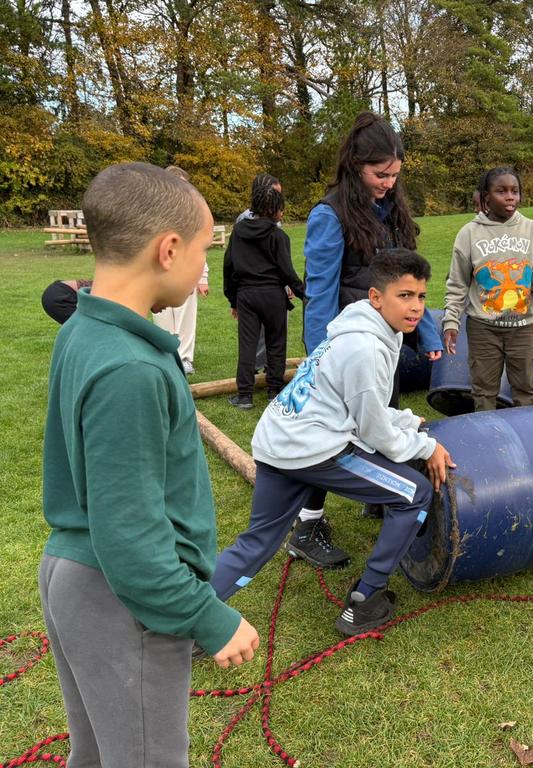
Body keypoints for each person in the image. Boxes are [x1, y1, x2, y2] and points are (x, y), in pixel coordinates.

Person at [40, 163, 260, 767]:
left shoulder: (85, 329)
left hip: (75, 574)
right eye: (202, 252)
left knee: (100, 753)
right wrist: (204, 616)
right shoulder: (130, 371)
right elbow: (131, 538)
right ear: (168, 250)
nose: (201, 270)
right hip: (120, 600)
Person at [212, 249, 455, 635]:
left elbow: (357, 405)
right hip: (314, 447)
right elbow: (374, 433)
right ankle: (365, 600)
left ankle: (189, 616)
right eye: (404, 296)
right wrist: (426, 446)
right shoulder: (366, 348)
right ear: (376, 297)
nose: (415, 307)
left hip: (280, 439)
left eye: (422, 297)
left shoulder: (364, 330)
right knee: (414, 495)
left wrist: (406, 419)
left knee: (257, 541)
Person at [294, 111, 442, 563]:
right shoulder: (329, 214)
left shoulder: (394, 210)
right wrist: (321, 354)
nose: (389, 183)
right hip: (348, 346)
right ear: (355, 166)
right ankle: (306, 527)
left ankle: (383, 497)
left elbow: (410, 276)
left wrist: (427, 329)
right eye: (381, 175)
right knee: (332, 436)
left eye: (396, 175)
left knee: (386, 415)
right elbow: (319, 291)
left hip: (388, 344)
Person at [443, 167, 533, 410]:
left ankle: (525, 440)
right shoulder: (469, 234)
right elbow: (457, 284)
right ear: (486, 196)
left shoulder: (532, 230)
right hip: (483, 328)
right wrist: (451, 321)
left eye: (515, 191)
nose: (510, 197)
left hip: (524, 327)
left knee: (525, 390)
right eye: (502, 191)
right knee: (484, 391)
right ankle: (488, 441)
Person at [470, 187, 533, 397]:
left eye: (482, 206)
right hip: (492, 317)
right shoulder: (473, 233)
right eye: (476, 207)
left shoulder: (524, 230)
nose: (479, 211)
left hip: (523, 310)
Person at [223, 180, 305, 409]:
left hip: (246, 296)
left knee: (247, 346)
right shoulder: (279, 237)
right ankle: (274, 391)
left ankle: (245, 396)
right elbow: (287, 272)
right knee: (276, 344)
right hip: (272, 296)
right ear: (273, 210)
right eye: (281, 208)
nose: (283, 213)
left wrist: (233, 298)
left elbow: (228, 267)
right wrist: (305, 295)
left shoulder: (238, 231)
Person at [152, 164, 208, 375]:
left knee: (185, 315)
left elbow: (199, 246)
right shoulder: (156, 210)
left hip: (186, 268)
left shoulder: (192, 212)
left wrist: (202, 277)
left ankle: (185, 358)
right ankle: (164, 356)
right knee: (162, 317)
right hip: (161, 269)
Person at [237, 173, 285, 374]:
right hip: (255, 287)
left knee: (273, 333)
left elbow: (279, 259)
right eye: (275, 194)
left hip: (271, 287)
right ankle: (257, 369)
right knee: (254, 333)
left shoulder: (276, 223)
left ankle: (268, 369)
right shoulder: (244, 222)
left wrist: (286, 285)